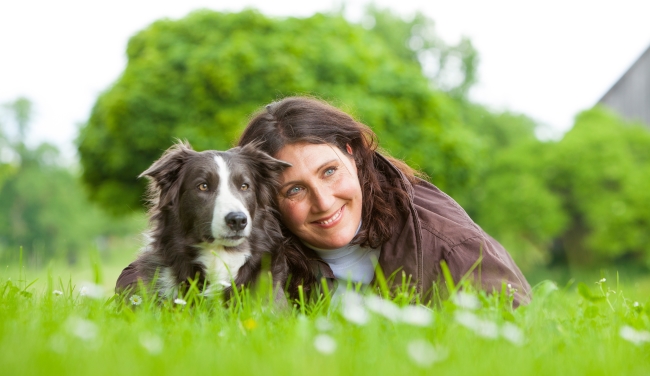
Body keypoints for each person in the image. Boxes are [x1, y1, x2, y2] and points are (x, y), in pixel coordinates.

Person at [238, 96, 531, 307]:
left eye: (329, 171)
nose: (324, 202)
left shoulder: (448, 244)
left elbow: (519, 335)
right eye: (294, 190)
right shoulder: (246, 258)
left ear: (351, 153)